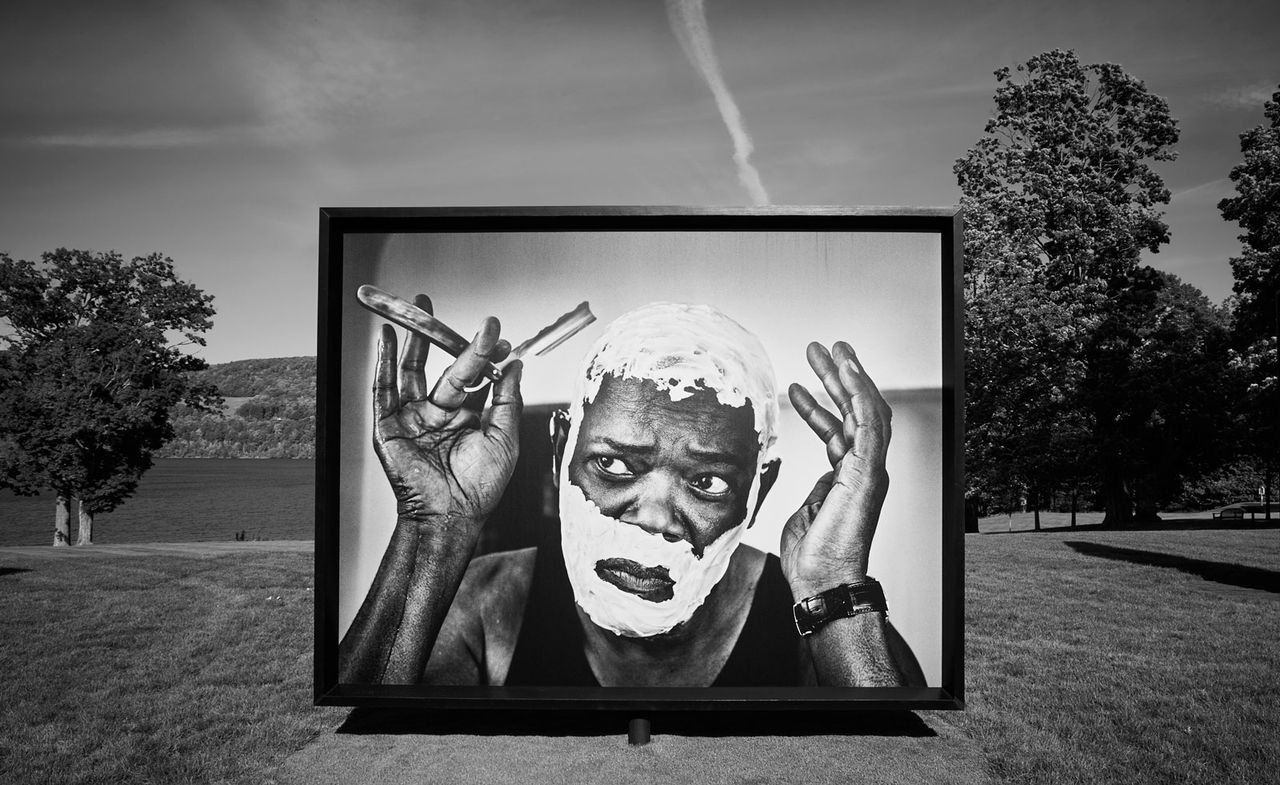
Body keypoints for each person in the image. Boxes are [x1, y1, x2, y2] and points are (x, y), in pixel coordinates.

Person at [339, 297, 924, 687]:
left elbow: (907, 766)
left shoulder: (812, 625)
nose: (653, 518)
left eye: (708, 482)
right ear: (562, 450)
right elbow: (354, 756)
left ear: (758, 492)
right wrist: (431, 527)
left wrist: (832, 584)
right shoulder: (484, 605)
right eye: (615, 464)